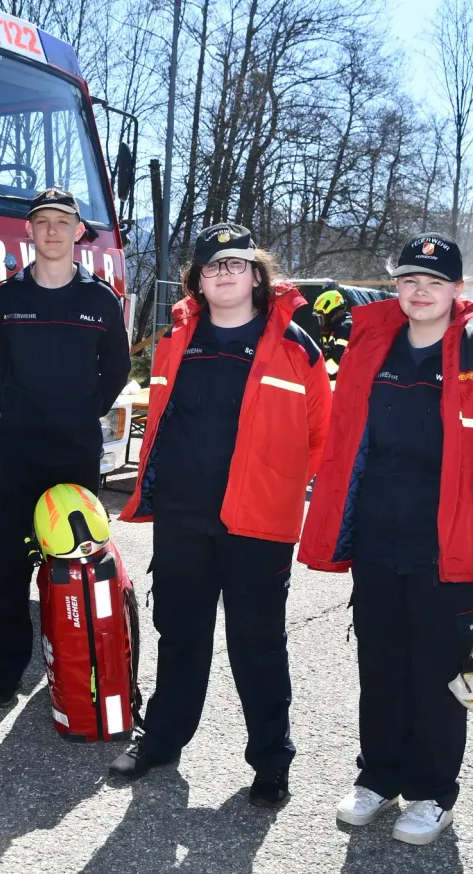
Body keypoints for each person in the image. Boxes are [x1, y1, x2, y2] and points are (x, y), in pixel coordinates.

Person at [298, 232, 473, 845]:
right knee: (379, 667)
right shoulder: (371, 350)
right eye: (409, 280)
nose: (420, 291)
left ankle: (434, 793)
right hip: (379, 540)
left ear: (458, 291)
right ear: (396, 286)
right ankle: (377, 777)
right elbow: (344, 445)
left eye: (434, 282)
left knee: (437, 677)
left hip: (449, 553)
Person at [106, 223, 331, 808]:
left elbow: (321, 438)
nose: (225, 273)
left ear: (259, 276)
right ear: (197, 283)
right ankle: (161, 740)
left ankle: (271, 761)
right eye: (212, 266)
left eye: (237, 263)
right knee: (180, 634)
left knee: (257, 641)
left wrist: (278, 487)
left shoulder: (296, 344)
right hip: (183, 516)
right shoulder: (175, 341)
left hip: (258, 524)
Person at [0, 188, 131, 706]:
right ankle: (8, 668)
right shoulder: (5, 299)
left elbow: (115, 369)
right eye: (41, 221)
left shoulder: (100, 299)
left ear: (77, 232)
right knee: (10, 564)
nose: (51, 230)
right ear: (29, 229)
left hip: (75, 452)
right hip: (20, 452)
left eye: (62, 222)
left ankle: (71, 654)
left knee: (76, 562)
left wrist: (82, 411)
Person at [313, 285, 353, 390]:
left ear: (330, 312)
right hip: (338, 391)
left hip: (344, 391)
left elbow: (335, 363)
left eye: (321, 317)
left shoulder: (346, 327)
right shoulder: (337, 329)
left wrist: (312, 373)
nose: (321, 322)